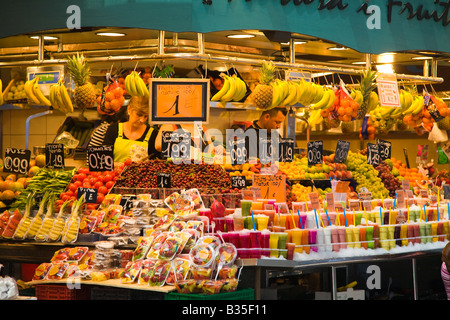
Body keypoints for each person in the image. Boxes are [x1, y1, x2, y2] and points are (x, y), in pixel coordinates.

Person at [102, 96, 160, 162]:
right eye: (139, 114)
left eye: (145, 116)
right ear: (129, 109)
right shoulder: (113, 130)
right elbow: (104, 161)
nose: (142, 120)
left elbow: (156, 164)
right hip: (115, 172)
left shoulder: (153, 135)